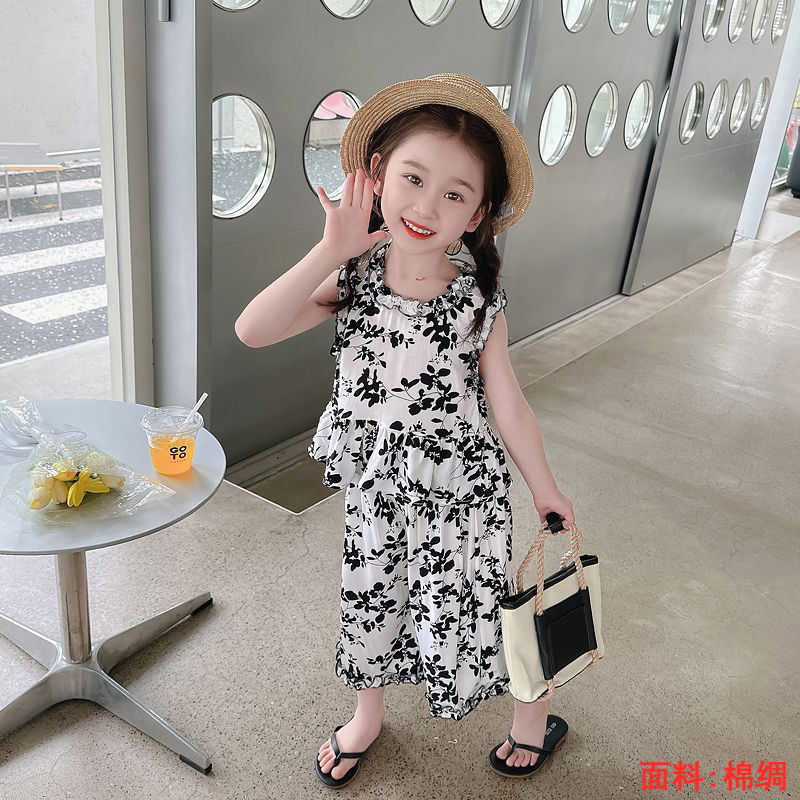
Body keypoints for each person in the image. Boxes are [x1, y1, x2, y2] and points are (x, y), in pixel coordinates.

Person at [234, 73, 577, 787]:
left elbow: (508, 402)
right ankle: (367, 716)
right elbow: (252, 331)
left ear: (477, 215)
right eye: (413, 179)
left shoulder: (476, 299)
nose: (425, 206)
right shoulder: (353, 278)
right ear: (376, 176)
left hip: (463, 497)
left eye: (454, 194)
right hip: (377, 491)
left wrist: (546, 488)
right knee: (372, 601)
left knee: (483, 613)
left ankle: (532, 717)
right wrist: (330, 250)